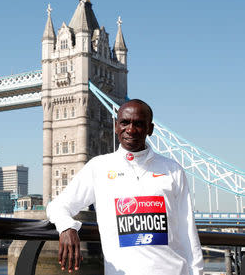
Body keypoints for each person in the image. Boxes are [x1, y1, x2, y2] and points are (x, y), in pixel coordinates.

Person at [47, 99, 203, 275]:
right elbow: (57, 206)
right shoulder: (98, 167)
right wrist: (67, 227)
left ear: (150, 129)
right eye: (124, 122)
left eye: (138, 124)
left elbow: (187, 229)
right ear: (115, 126)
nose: (130, 129)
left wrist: (197, 272)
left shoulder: (172, 169)